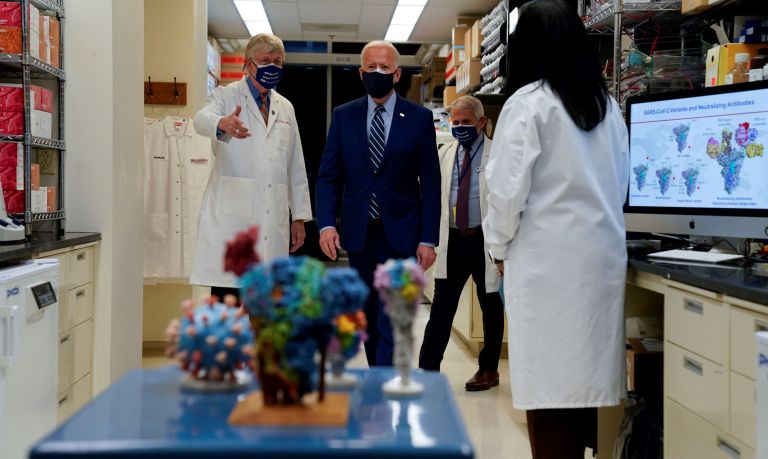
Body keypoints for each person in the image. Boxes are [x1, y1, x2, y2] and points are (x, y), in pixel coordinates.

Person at [482, 1, 629, 458]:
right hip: (600, 261)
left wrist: (498, 248)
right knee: (585, 388)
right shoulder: (607, 107)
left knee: (548, 389)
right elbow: (622, 184)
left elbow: (505, 193)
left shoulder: (527, 104)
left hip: (547, 267)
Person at [315, 41, 441, 367]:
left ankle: (383, 379)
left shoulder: (419, 118)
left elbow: (430, 183)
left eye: (384, 67)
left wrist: (429, 238)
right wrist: (327, 224)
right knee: (368, 311)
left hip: (403, 233)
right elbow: (329, 176)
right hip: (359, 234)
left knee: (393, 313)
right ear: (360, 72)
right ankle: (378, 372)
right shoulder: (344, 116)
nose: (377, 73)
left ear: (397, 74)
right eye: (371, 67)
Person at [191, 33, 312, 298]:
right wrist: (221, 123)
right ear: (248, 64)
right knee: (228, 305)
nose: (272, 67)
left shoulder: (285, 107)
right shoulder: (226, 95)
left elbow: (295, 164)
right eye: (265, 60)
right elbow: (201, 119)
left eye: (278, 62)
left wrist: (299, 216)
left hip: (273, 220)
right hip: (233, 220)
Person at [418, 96, 504, 391]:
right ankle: (427, 370)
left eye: (466, 122)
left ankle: (489, 369)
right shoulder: (445, 153)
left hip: (484, 240)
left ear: (481, 122)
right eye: (455, 122)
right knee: (441, 307)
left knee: (490, 305)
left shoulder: (498, 154)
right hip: (454, 238)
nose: (460, 127)